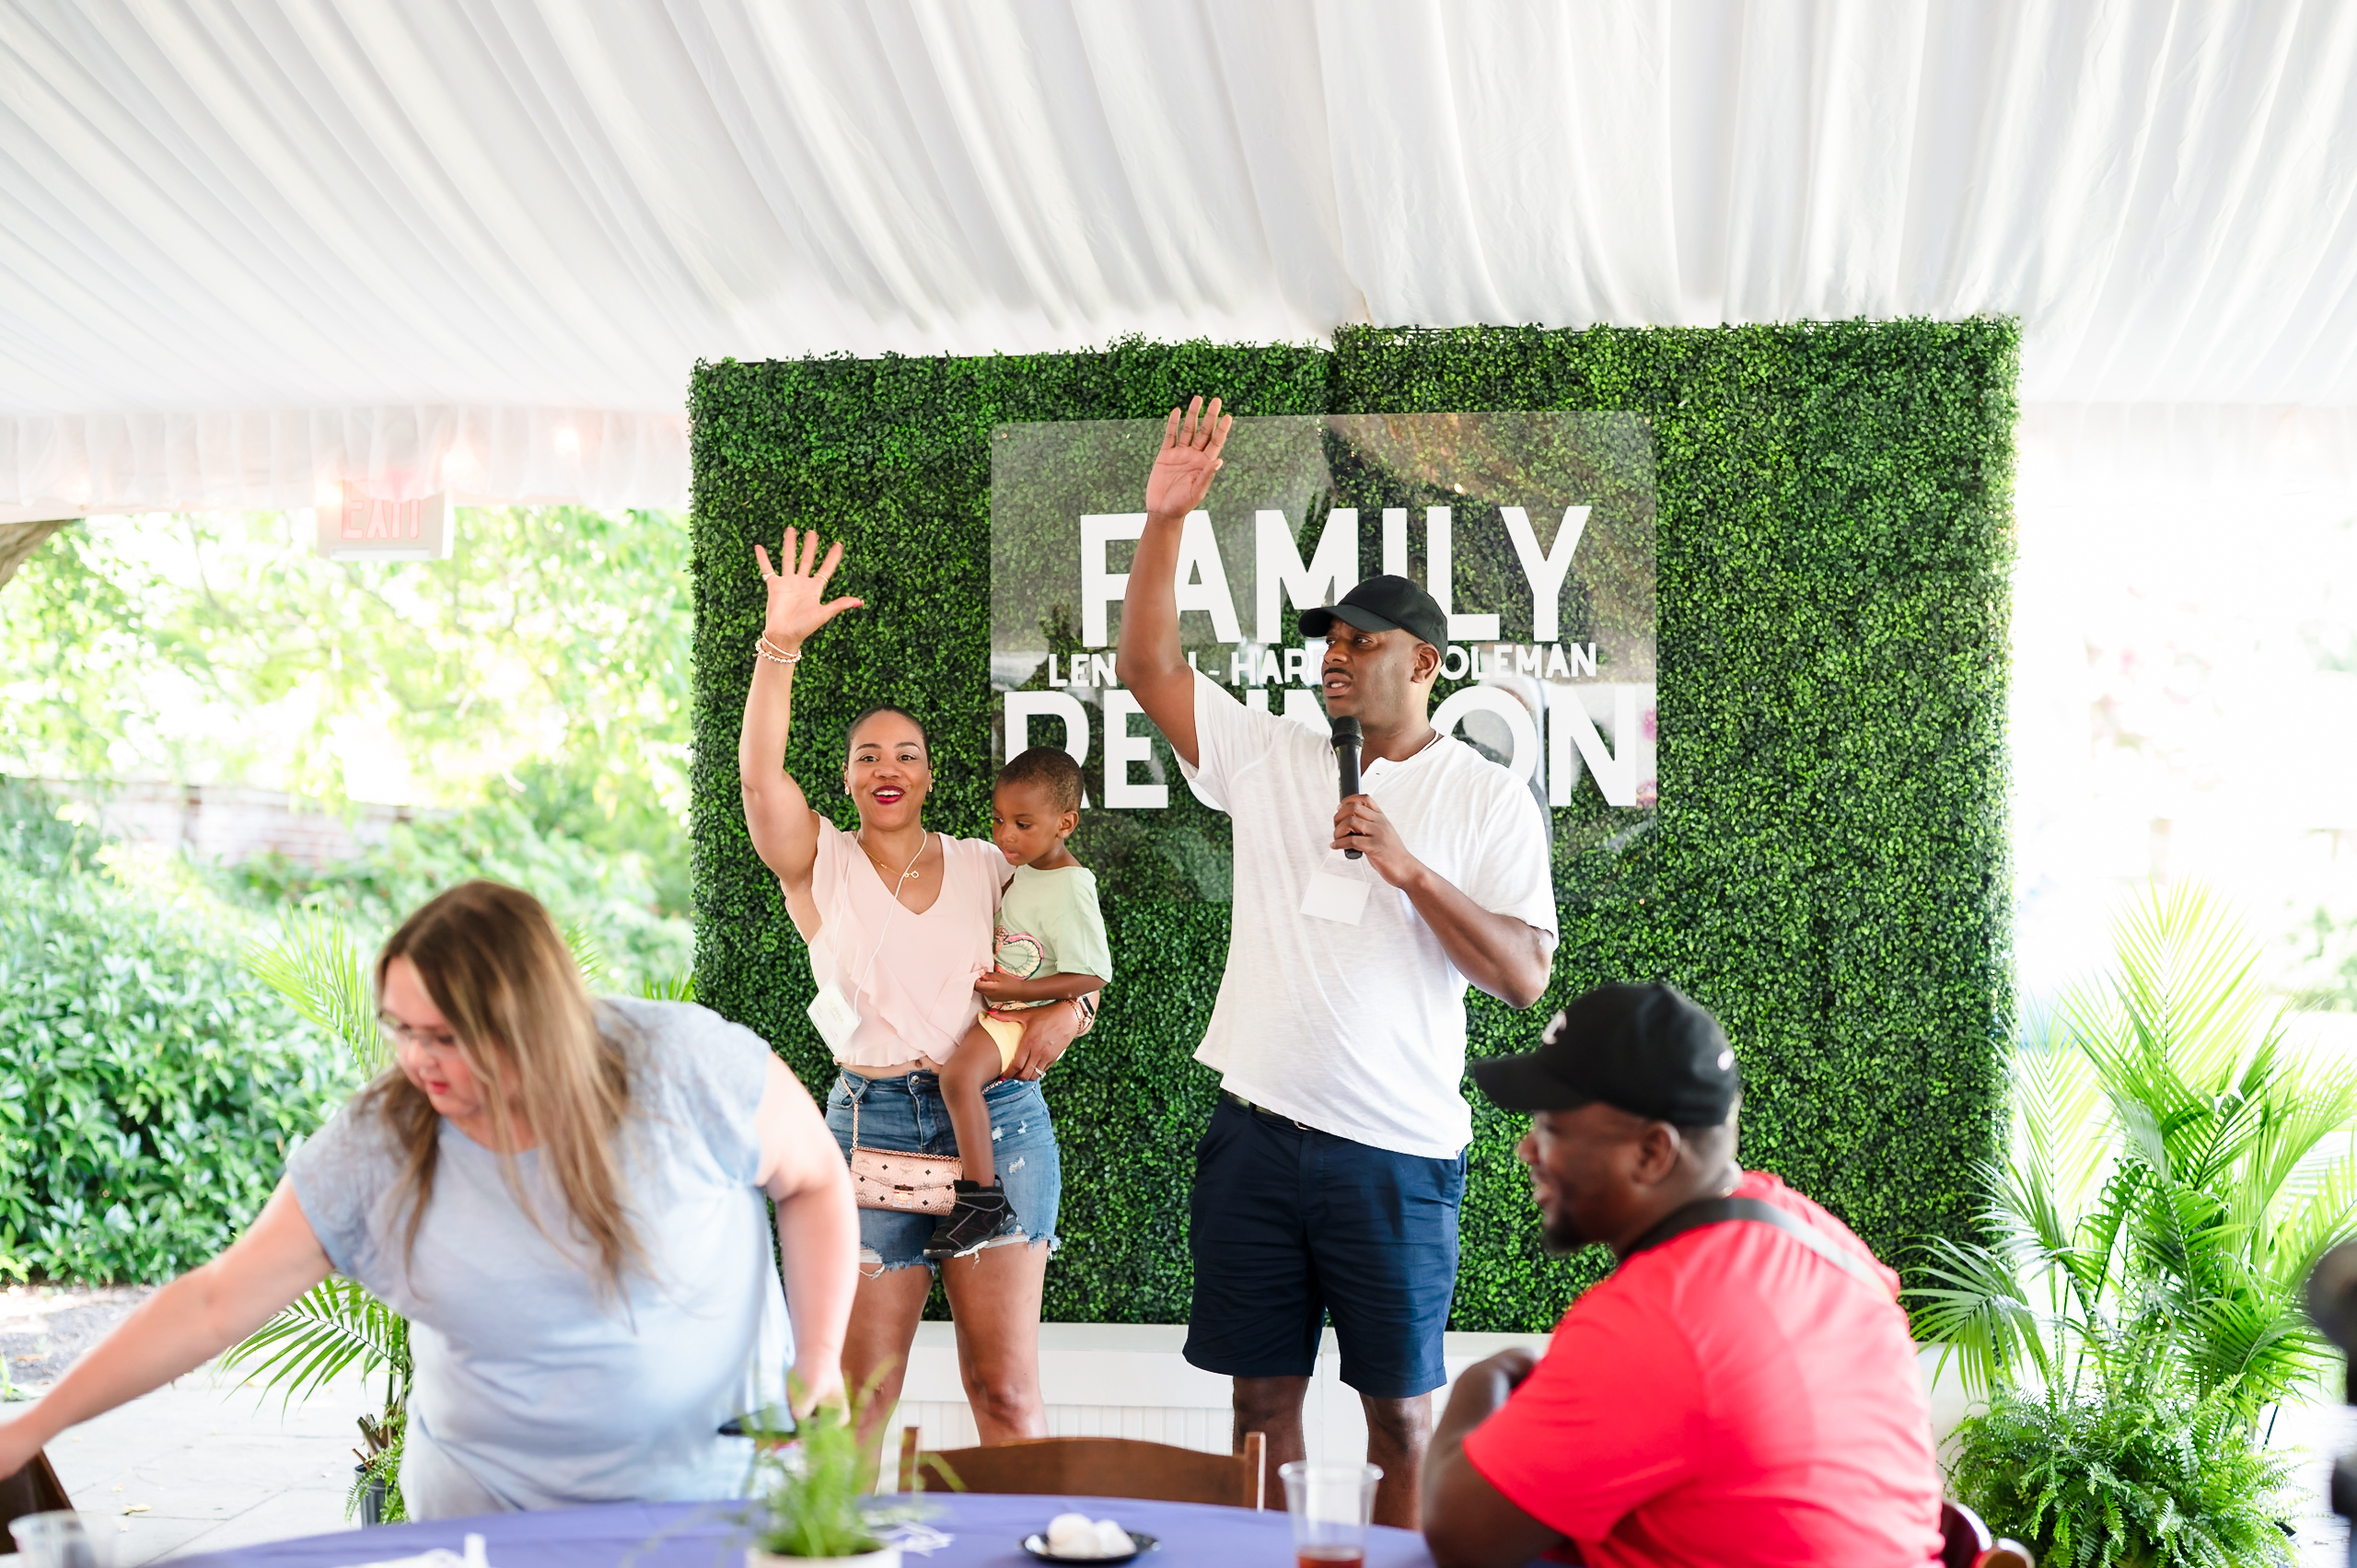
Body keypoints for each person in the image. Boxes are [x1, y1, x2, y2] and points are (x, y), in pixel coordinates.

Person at [0, 879, 860, 1517]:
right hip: (487, 1519)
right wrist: (30, 1428)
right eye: (401, 1028)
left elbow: (818, 1178)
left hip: (717, 1505)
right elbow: (215, 1301)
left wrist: (819, 1356)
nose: (417, 1060)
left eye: (445, 1035)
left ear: (532, 1018)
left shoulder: (684, 1066)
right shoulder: (379, 1143)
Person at [1116, 397, 1560, 1527]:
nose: (1337, 657)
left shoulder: (1486, 796)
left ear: (1426, 662)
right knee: (1258, 1401)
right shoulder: (1270, 754)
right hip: (1255, 1137)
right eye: (1330, 640)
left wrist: (1409, 869)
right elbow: (1147, 665)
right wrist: (1165, 520)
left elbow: (1523, 976)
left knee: (1399, 1418)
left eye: (1362, 642)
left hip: (1396, 1155)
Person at [736, 526, 1088, 1468]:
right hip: (872, 1126)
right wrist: (780, 646)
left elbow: (1075, 954)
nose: (886, 768)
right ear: (848, 778)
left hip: (998, 1124)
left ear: (930, 774)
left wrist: (1072, 1010)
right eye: (867, 756)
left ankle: (1030, 1538)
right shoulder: (818, 860)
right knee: (857, 1403)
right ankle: (844, 1540)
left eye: (905, 754)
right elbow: (760, 778)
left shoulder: (987, 864)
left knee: (1005, 1390)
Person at [1422, 984, 1945, 1568]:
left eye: (1553, 1129)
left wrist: (1487, 1375)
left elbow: (1456, 1534)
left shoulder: (1656, 1321)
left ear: (1652, 1154)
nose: (1528, 1150)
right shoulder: (1821, 1237)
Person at [930, 745, 1112, 1259]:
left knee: (958, 1078)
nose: (1005, 834)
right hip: (1006, 1010)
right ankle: (982, 1197)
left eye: (1022, 824)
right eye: (998, 820)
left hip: (1020, 1016)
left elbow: (1093, 973)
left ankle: (982, 1201)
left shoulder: (1071, 887)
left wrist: (1018, 992)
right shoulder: (1029, 868)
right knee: (958, 1076)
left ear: (1065, 823)